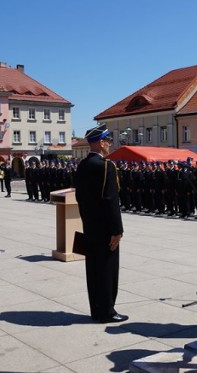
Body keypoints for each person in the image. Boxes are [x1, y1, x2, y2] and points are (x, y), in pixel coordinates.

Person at [75, 124, 127, 323]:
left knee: (93, 269)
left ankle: (96, 309)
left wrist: (88, 220)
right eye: (107, 140)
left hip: (90, 226)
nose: (109, 144)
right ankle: (107, 311)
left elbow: (81, 198)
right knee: (107, 269)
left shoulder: (82, 165)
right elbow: (111, 200)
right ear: (99, 142)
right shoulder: (106, 166)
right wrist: (117, 230)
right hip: (106, 228)